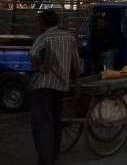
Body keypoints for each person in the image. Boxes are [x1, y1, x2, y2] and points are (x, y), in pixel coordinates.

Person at [29, 9, 81, 165]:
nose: (38, 26)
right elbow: (76, 62)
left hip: (44, 85)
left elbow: (33, 54)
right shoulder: (69, 37)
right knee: (56, 120)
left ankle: (46, 159)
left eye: (39, 23)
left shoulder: (44, 37)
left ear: (44, 23)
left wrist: (39, 66)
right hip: (61, 85)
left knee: (43, 123)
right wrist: (73, 78)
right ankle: (54, 154)